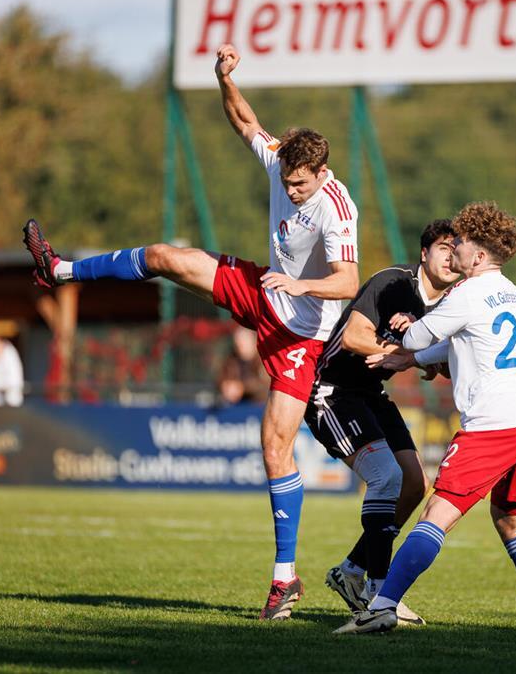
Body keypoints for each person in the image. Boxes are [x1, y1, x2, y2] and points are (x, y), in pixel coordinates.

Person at [21, 43, 359, 620]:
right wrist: (225, 77)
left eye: (301, 183)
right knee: (164, 256)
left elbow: (349, 280)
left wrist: (303, 287)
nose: (292, 189)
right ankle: (59, 270)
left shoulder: (336, 207)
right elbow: (244, 119)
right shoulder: (281, 160)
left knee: (274, 447)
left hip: (301, 333)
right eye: (288, 180)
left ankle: (286, 581)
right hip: (264, 289)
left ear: (321, 173)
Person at [337, 202, 516, 635]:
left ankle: (382, 606)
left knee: (436, 515)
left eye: (460, 243)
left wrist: (406, 328)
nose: (454, 249)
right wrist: (409, 359)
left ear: (478, 256)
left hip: (495, 424)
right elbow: (457, 344)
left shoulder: (466, 293)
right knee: (510, 518)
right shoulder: (509, 290)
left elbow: (422, 333)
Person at [308, 219, 460, 626]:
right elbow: (356, 337)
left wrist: (431, 360)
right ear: (424, 253)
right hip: (333, 391)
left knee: (413, 483)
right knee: (387, 478)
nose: (451, 256)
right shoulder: (393, 283)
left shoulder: (447, 307)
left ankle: (352, 572)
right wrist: (403, 353)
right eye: (443, 247)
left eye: (456, 249)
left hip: (371, 395)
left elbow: (433, 362)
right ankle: (379, 594)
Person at [217, 327, 269, 406]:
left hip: (259, 405)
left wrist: (242, 388)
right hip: (236, 406)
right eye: (237, 343)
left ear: (252, 341)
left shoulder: (264, 360)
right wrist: (225, 386)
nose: (239, 346)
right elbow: (221, 378)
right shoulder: (232, 359)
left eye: (243, 342)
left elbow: (265, 384)